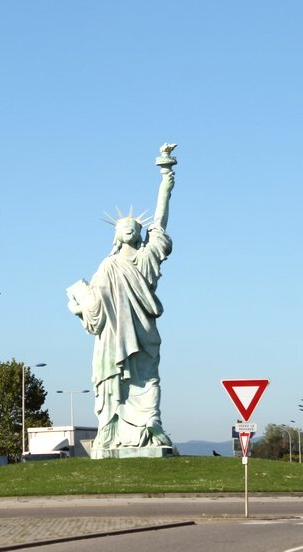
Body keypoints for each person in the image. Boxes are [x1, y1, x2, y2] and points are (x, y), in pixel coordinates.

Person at [67, 146, 177, 452]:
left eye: (133, 225)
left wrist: (165, 177)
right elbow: (95, 307)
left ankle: (150, 423)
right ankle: (113, 431)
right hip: (113, 338)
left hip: (142, 333)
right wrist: (79, 307)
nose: (128, 225)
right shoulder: (107, 266)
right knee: (116, 382)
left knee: (148, 378)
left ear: (139, 233)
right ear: (116, 234)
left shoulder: (146, 257)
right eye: (122, 225)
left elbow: (160, 221)